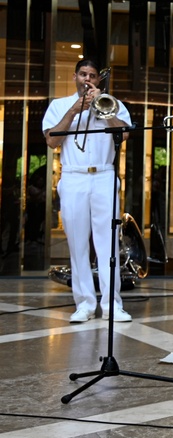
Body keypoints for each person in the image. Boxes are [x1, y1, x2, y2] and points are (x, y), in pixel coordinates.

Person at [42, 59, 133, 323]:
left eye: (92, 75)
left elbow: (124, 135)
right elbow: (52, 141)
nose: (87, 79)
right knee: (77, 244)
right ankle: (84, 304)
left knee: (108, 245)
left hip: (104, 175)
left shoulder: (112, 104)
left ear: (98, 80)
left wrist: (103, 108)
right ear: (75, 77)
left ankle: (112, 304)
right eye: (83, 74)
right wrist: (74, 110)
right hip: (73, 177)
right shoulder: (59, 106)